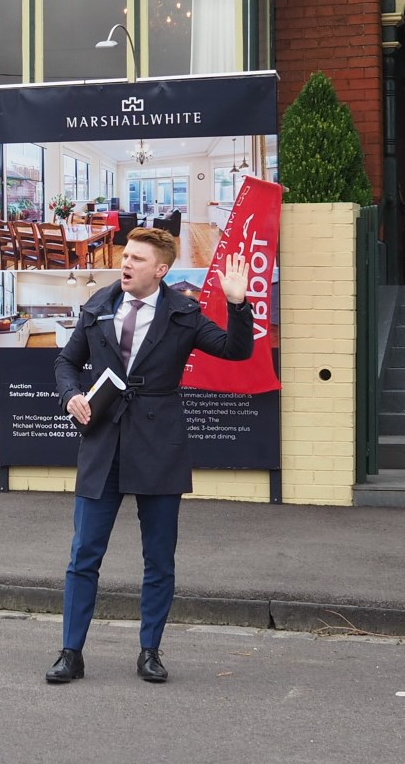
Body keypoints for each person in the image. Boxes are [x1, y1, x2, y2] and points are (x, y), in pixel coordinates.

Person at [47, 228, 252, 685]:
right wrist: (71, 395)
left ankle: (150, 651)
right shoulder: (99, 305)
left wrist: (237, 304)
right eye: (126, 256)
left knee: (158, 559)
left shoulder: (183, 313)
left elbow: (237, 350)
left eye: (138, 259)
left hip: (160, 447)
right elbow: (64, 362)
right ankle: (70, 652)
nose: (126, 264)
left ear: (161, 270)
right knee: (83, 555)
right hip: (103, 443)